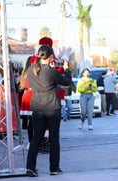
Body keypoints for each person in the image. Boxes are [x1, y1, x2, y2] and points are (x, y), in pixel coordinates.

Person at [26, 45, 71, 177]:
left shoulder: (31, 71)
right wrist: (67, 69)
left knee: (36, 138)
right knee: (54, 138)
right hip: (52, 106)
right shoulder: (51, 71)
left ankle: (30, 167)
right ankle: (54, 167)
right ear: (51, 57)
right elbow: (66, 82)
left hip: (37, 106)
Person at [20, 56, 33, 150]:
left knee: (31, 121)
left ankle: (30, 141)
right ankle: (33, 141)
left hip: (26, 94)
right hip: (33, 94)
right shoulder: (34, 72)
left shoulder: (24, 72)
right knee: (35, 121)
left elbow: (21, 86)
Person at [61, 55, 75, 122]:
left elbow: (70, 81)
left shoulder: (68, 71)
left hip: (68, 92)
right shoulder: (60, 71)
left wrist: (73, 89)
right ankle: (64, 117)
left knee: (69, 107)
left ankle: (68, 115)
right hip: (62, 92)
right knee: (63, 107)